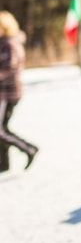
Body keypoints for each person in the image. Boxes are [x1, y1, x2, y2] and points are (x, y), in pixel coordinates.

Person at [0, 11, 38, 173]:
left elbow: (10, 67)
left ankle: (29, 149)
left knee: (0, 130)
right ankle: (3, 164)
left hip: (7, 93)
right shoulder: (2, 42)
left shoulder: (10, 43)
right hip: (3, 92)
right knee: (2, 128)